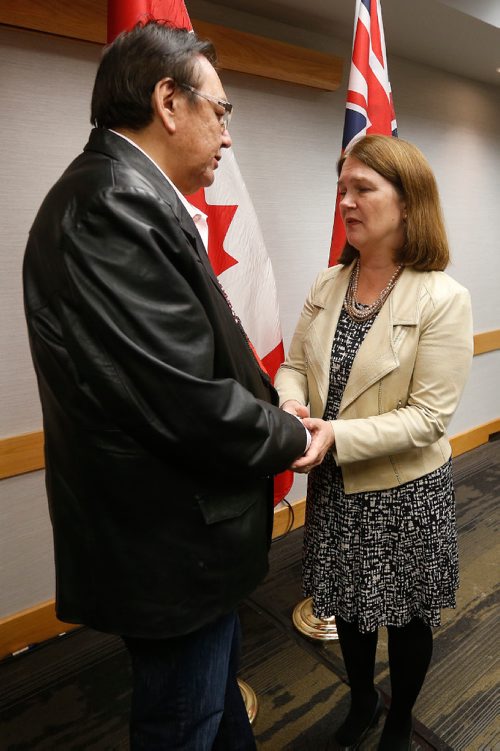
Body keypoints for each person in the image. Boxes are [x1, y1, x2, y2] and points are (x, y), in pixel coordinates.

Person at [22, 21, 331, 751]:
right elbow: (185, 398)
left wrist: (268, 401)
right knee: (181, 725)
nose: (227, 136)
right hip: (169, 542)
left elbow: (197, 354)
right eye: (221, 112)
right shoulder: (111, 206)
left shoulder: (129, 195)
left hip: (184, 539)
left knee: (214, 707)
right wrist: (293, 433)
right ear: (169, 100)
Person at [275, 134, 473, 750]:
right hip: (336, 484)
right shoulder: (328, 283)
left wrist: (335, 434)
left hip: (404, 493)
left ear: (409, 202)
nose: (347, 201)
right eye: (342, 189)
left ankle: (397, 720)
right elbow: (294, 367)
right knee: (350, 607)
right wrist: (290, 403)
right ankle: (362, 699)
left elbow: (428, 419)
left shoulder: (444, 297)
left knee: (408, 618)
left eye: (363, 188)